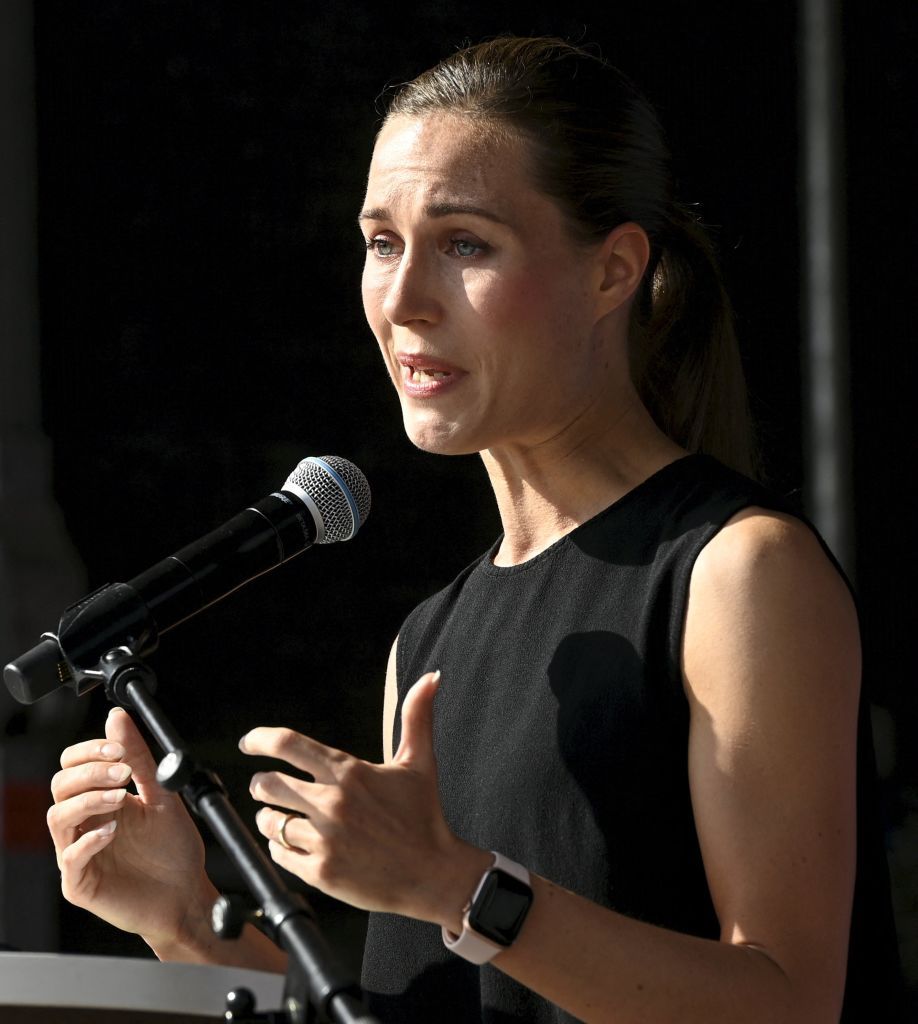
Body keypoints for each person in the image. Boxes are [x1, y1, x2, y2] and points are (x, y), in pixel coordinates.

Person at [47, 36, 903, 1023]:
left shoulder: (738, 573)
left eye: (464, 244)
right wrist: (187, 917)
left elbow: (789, 1002)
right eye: (380, 242)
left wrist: (457, 886)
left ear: (613, 271)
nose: (404, 301)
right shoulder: (428, 639)